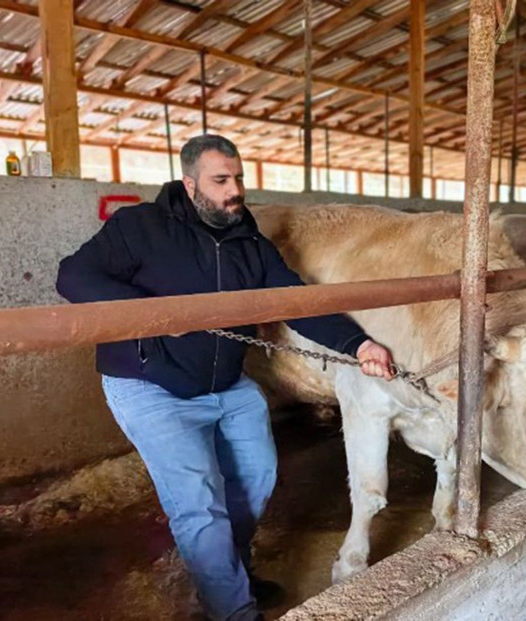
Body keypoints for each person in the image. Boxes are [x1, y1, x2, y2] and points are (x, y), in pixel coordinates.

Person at [56, 134, 394, 621]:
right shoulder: (140, 226)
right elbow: (73, 276)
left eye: (237, 178)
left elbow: (293, 300)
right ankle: (234, 610)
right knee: (200, 502)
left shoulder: (249, 241)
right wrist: (156, 315)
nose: (234, 189)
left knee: (255, 479)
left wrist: (356, 344)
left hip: (228, 388)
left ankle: (225, 571)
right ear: (190, 184)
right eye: (220, 181)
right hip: (150, 387)